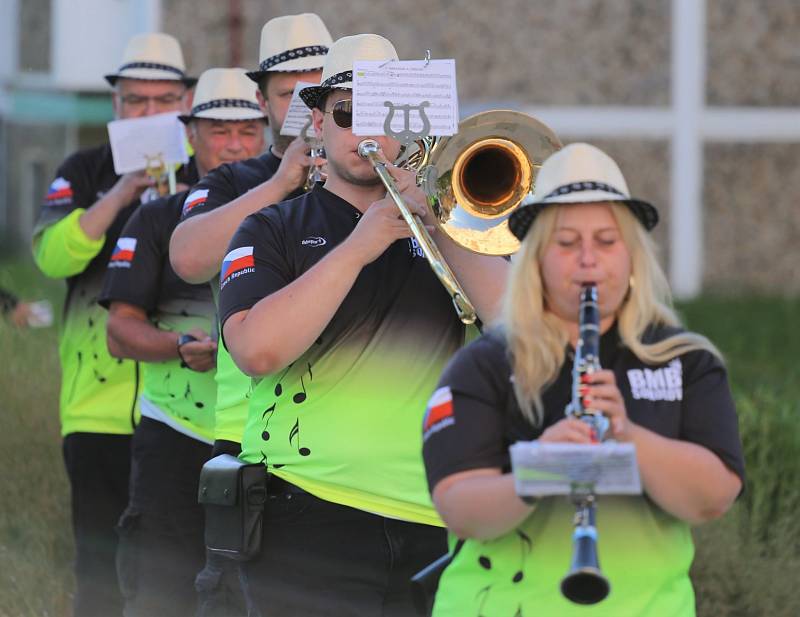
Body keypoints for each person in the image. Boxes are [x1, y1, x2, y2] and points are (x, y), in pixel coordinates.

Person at [216, 33, 508, 616]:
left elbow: (521, 331)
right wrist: (357, 247)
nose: (366, 130)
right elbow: (257, 350)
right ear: (318, 123)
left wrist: (441, 221)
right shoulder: (271, 228)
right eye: (349, 113)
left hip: (431, 515)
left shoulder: (449, 231)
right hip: (307, 509)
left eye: (386, 113)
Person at [421, 143, 745, 617]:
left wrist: (629, 437)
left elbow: (713, 499)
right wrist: (545, 466)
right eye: (567, 243)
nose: (588, 260)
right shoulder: (485, 365)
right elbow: (460, 509)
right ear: (536, 260)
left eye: (608, 242)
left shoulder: (685, 360)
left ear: (632, 256)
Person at [31, 33, 197, 617]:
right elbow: (51, 258)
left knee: (178, 574)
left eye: (162, 100)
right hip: (97, 409)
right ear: (115, 107)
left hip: (184, 409)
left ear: (187, 103)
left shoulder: (208, 173)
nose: (148, 114)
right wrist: (122, 193)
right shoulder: (83, 168)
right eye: (135, 101)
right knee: (100, 572)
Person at [98, 68, 266, 617]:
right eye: (219, 130)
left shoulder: (291, 216)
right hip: (174, 435)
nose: (235, 144)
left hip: (262, 444)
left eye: (248, 130)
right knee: (159, 594)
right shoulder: (155, 218)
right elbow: (119, 329)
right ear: (189, 132)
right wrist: (176, 347)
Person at [170, 12, 333, 459]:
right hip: (249, 424)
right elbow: (188, 260)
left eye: (321, 91)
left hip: (356, 431)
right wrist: (281, 183)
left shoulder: (374, 180)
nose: (308, 107)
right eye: (289, 94)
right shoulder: (230, 181)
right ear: (262, 103)